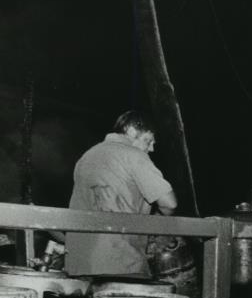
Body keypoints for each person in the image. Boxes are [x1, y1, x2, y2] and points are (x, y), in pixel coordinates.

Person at [65, 110, 177, 278]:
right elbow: (169, 203)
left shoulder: (86, 157)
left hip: (78, 263)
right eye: (148, 140)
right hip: (120, 261)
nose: (152, 148)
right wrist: (162, 225)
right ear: (131, 131)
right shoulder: (133, 155)